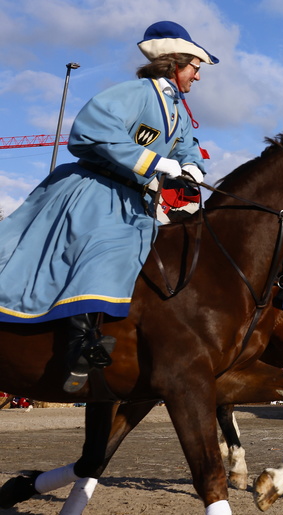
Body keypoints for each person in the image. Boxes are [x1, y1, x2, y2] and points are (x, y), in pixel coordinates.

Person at [0, 20, 216, 392]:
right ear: (176, 63)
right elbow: (92, 129)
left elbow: (187, 147)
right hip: (96, 188)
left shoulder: (177, 110)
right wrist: (156, 163)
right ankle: (81, 340)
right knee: (105, 247)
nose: (198, 76)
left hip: (134, 199)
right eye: (195, 68)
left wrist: (192, 167)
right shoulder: (135, 93)